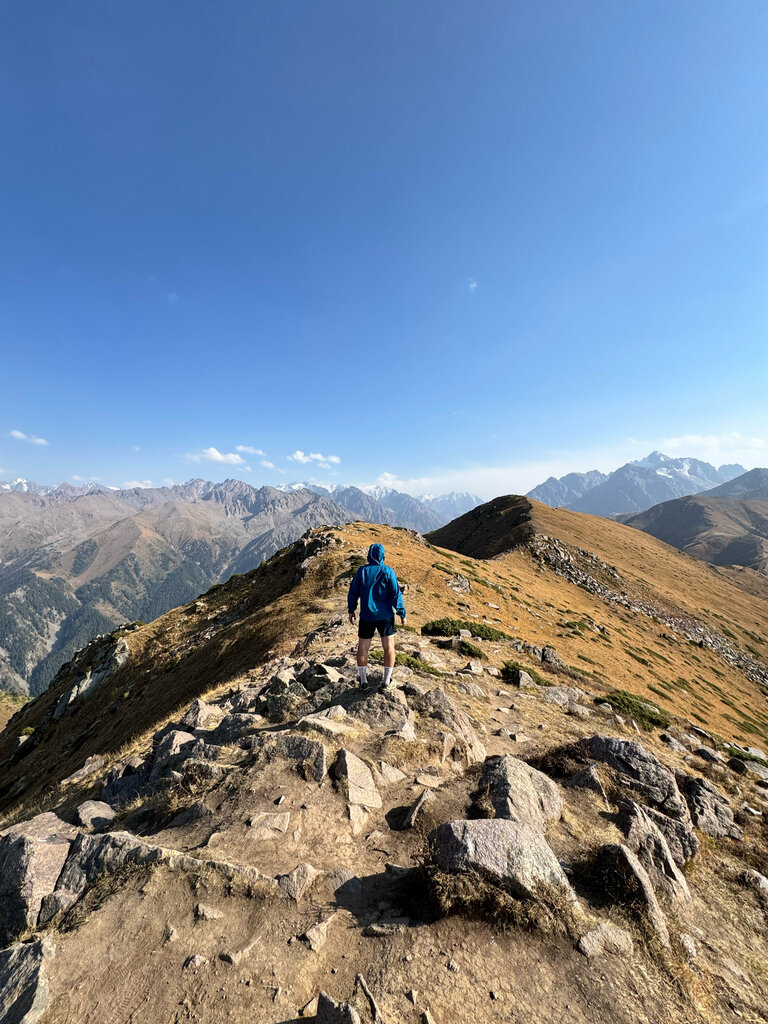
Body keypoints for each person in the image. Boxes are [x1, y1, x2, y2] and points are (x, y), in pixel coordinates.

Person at [347, 542, 406, 689]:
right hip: (385, 616)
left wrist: (351, 609)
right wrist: (401, 613)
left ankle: (363, 681)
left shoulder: (362, 571)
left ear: (369, 555)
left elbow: (353, 591)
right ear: (383, 556)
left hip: (366, 616)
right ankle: (386, 681)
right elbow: (396, 594)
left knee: (363, 648)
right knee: (389, 647)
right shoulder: (388, 571)